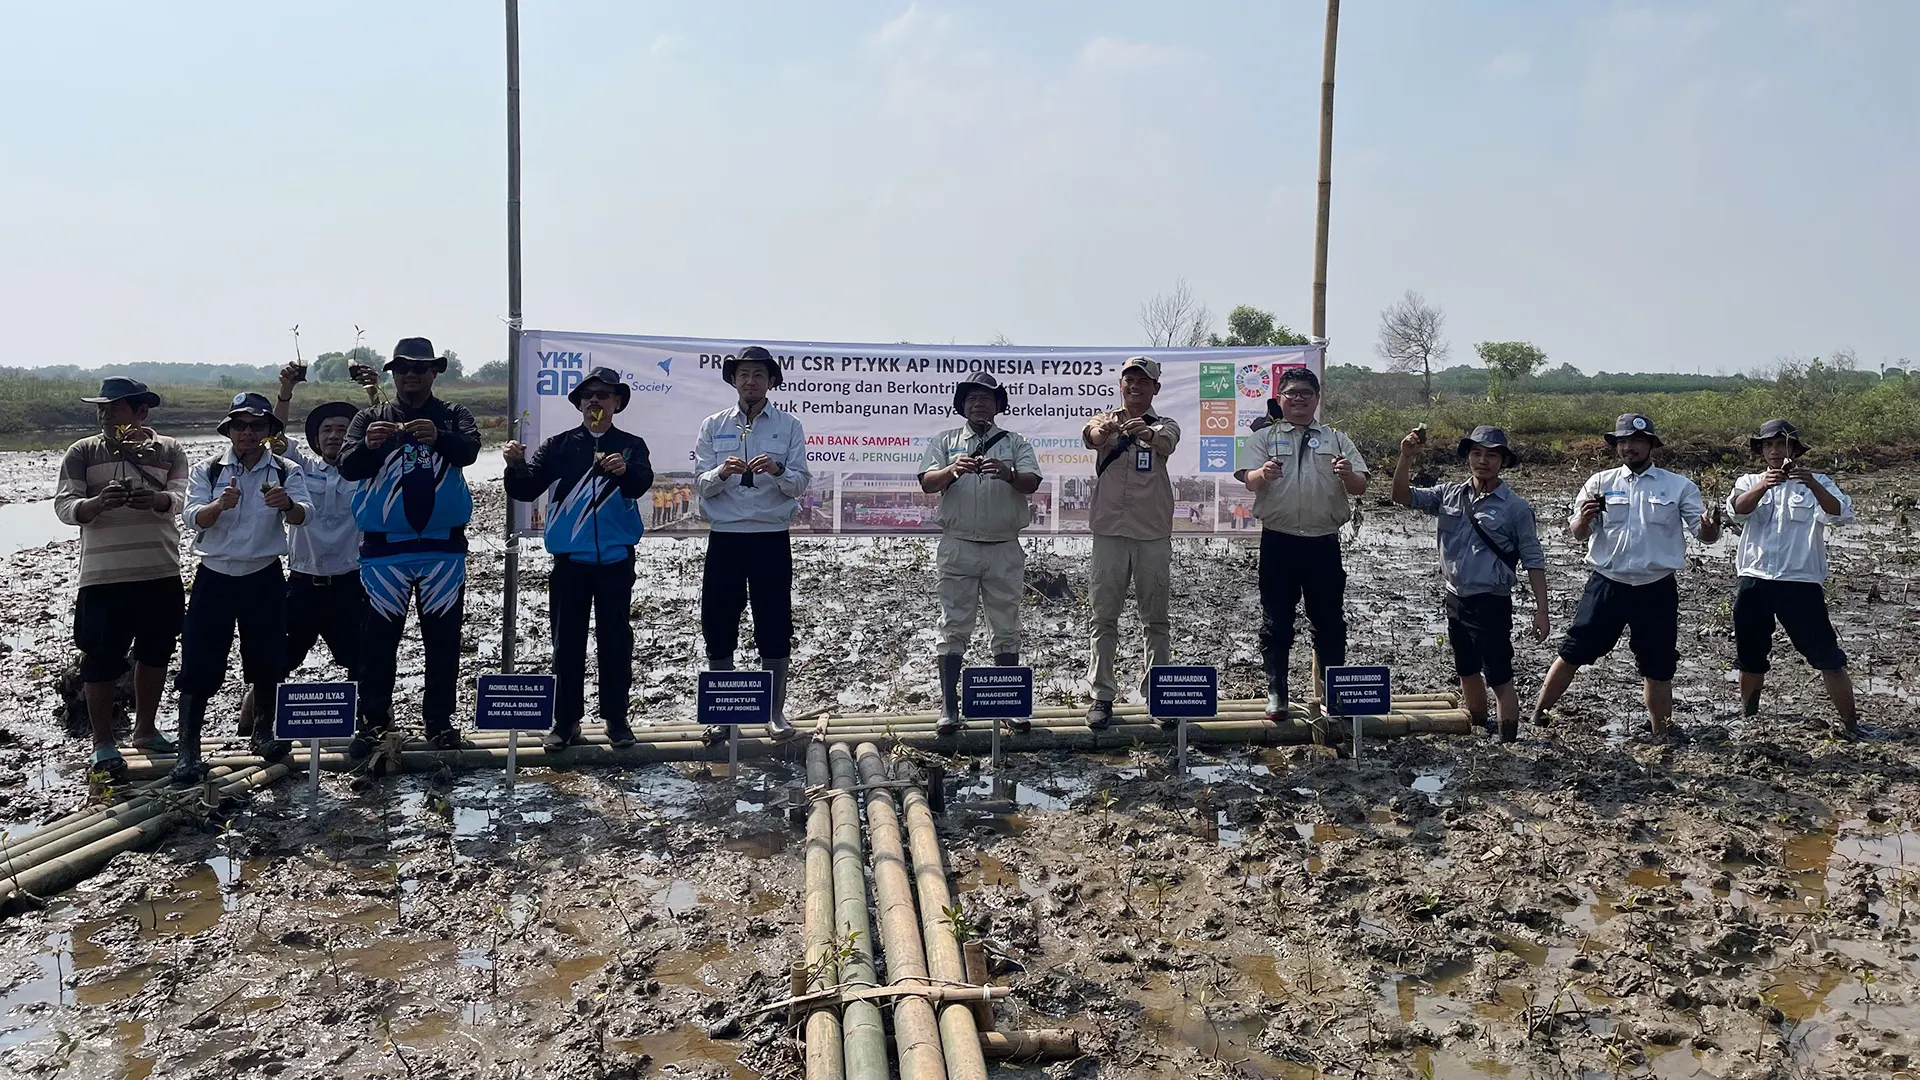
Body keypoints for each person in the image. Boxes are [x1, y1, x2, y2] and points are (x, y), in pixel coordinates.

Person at [1531, 413, 1720, 739]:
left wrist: (1710, 523)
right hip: (1608, 584)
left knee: (1658, 664)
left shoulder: (1678, 486)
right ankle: (1538, 714)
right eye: (1623, 442)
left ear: (1650, 445)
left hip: (1655, 589)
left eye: (1636, 441)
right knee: (1573, 650)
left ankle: (1662, 732)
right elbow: (1577, 533)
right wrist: (1583, 520)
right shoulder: (1599, 483)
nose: (1628, 448)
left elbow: (1705, 536)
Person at [337, 337, 481, 756]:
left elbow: (470, 452)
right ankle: (374, 723)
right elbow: (347, 468)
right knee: (376, 642)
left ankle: (439, 723)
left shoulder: (454, 415)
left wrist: (438, 437)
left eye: (420, 368)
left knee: (443, 641)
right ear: (393, 374)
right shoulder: (368, 418)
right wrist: (369, 446)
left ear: (435, 372)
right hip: (384, 553)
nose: (411, 375)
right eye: (402, 368)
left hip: (442, 550)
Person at [504, 366, 656, 750]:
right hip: (570, 563)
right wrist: (515, 464)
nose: (595, 401)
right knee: (566, 643)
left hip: (616, 563)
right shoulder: (558, 446)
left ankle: (616, 719)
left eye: (603, 395)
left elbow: (641, 484)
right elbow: (525, 489)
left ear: (616, 403)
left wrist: (624, 470)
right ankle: (566, 721)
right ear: (579, 404)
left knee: (616, 641)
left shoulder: (632, 444)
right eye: (588, 395)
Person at [54, 378, 192, 780]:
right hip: (101, 577)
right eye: (102, 408)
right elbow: (65, 504)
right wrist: (96, 504)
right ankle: (102, 743)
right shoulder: (81, 451)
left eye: (114, 407)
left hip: (159, 571)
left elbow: (181, 499)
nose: (105, 414)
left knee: (155, 654)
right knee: (100, 660)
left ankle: (145, 730)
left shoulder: (169, 450)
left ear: (140, 412)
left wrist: (158, 500)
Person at [171, 394, 313, 781]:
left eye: (256, 426)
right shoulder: (209, 469)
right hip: (214, 575)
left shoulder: (284, 470)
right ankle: (188, 751)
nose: (247, 433)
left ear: (269, 431)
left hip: (263, 574)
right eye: (240, 425)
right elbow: (190, 517)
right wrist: (220, 506)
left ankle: (263, 734)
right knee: (199, 661)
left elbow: (304, 515)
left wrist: (286, 505)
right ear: (229, 429)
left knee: (267, 658)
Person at [1391, 425, 1550, 742]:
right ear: (1468, 458)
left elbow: (1533, 560)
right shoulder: (1448, 494)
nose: (1482, 461)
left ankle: (1509, 741)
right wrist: (1405, 458)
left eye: (1491, 455)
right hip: (1456, 599)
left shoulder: (1516, 508)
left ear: (1503, 461)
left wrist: (1542, 611)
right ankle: (1478, 727)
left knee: (1500, 676)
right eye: (1476, 453)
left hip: (1491, 602)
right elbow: (1401, 496)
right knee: (1466, 668)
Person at [238, 367, 372, 731]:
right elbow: (272, 438)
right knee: (277, 659)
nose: (334, 436)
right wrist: (286, 390)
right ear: (315, 438)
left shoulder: (367, 472)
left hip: (349, 582)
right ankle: (252, 725)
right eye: (327, 430)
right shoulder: (298, 467)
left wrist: (374, 391)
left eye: (343, 430)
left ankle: (371, 726)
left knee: (363, 659)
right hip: (301, 583)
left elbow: (386, 439)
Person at [1232, 367, 1367, 721]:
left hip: (1323, 543)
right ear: (1279, 399)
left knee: (1329, 622)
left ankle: (1333, 695)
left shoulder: (1337, 439)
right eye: (1291, 393)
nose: (1299, 400)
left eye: (1306, 393)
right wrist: (1263, 474)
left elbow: (1360, 486)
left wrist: (1348, 474)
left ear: (1317, 399)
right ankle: (1277, 691)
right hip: (1279, 542)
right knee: (1276, 621)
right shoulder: (1264, 437)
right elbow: (1248, 480)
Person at [694, 346, 810, 741]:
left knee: (775, 622)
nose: (750, 381)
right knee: (718, 621)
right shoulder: (713, 425)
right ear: (733, 380)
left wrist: (778, 469)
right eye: (743, 374)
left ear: (771, 381)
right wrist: (722, 472)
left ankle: (774, 712)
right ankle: (724, 716)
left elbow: (800, 482)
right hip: (725, 539)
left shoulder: (790, 426)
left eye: (759, 375)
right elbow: (700, 484)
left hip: (770, 538)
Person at [917, 373, 1043, 735]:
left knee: (1006, 625)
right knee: (952, 624)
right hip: (958, 544)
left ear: (999, 405)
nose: (979, 404)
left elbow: (1031, 482)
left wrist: (1006, 473)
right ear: (962, 405)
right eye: (972, 398)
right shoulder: (946, 441)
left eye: (987, 399)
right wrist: (952, 469)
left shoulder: (1016, 443)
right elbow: (927, 482)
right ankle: (949, 708)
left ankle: (1009, 707)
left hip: (1004, 546)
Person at [1725, 419, 1859, 735]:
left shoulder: (1819, 481)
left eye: (1782, 444)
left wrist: (1812, 484)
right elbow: (1737, 511)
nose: (1775, 451)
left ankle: (1852, 724)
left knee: (1828, 656)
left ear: (1794, 450)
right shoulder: (1749, 481)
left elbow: (1841, 513)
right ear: (1761, 451)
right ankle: (1749, 719)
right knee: (1750, 656)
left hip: (1801, 583)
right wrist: (1764, 485)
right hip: (1755, 580)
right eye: (1768, 445)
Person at [1080, 357, 1180, 730]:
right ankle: (1102, 695)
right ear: (1120, 385)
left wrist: (1147, 434)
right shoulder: (1103, 420)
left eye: (1143, 381)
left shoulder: (1165, 424)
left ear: (1155, 388)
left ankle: (1158, 696)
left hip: (1152, 533)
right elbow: (1091, 436)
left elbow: (1167, 443)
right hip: (1109, 533)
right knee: (1103, 616)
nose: (1135, 386)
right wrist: (1103, 432)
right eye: (1129, 380)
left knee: (1155, 618)